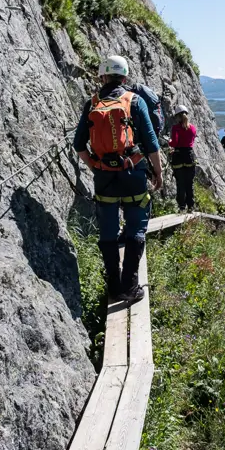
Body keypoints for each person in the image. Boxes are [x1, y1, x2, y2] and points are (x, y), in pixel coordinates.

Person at [73, 55, 163, 303]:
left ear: (102, 76)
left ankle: (114, 285)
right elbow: (151, 143)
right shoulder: (134, 101)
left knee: (108, 230)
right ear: (124, 77)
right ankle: (130, 285)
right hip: (132, 173)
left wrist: (96, 166)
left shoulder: (92, 103)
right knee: (136, 225)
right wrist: (158, 172)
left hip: (104, 177)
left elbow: (78, 145)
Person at [169, 105, 197, 211]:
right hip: (189, 156)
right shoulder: (192, 128)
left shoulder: (176, 128)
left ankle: (182, 206)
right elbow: (191, 141)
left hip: (178, 156)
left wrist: (169, 142)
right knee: (189, 183)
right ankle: (191, 206)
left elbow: (174, 142)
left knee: (180, 183)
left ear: (178, 116)